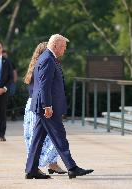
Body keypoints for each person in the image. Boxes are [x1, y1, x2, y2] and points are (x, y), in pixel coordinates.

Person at [24, 34, 93, 179]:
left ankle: (31, 170)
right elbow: (44, 85)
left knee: (37, 139)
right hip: (48, 108)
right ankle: (72, 167)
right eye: (63, 46)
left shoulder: (49, 58)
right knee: (60, 136)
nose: (65, 49)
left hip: (45, 107)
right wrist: (47, 106)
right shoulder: (48, 59)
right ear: (55, 45)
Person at [23, 42, 66, 175]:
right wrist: (47, 106)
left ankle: (51, 164)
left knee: (44, 138)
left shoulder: (39, 65)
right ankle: (36, 167)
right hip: (40, 105)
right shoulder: (44, 65)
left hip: (34, 105)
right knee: (46, 137)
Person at [2, 50, 18, 120]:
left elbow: (14, 72)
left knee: (11, 98)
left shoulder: (11, 62)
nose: (4, 55)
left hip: (11, 84)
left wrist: (14, 81)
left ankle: (13, 113)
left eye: (5, 53)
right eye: (3, 53)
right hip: (2, 84)